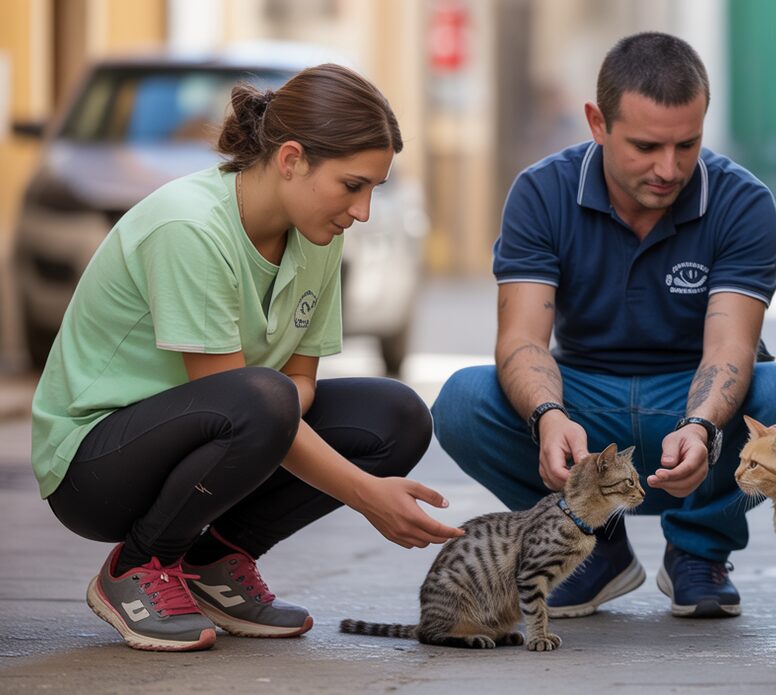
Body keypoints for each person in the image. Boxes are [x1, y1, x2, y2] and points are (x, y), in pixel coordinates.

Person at [30, 63, 463, 652]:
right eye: (352, 185)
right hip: (95, 466)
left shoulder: (318, 235)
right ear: (291, 160)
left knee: (397, 417)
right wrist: (363, 492)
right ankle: (135, 568)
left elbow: (298, 380)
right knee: (261, 397)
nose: (362, 212)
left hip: (215, 430)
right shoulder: (190, 227)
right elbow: (246, 395)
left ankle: (213, 563)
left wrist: (281, 407)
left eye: (373, 191)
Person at [432, 32, 776, 620]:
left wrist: (701, 428)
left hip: (687, 396)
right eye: (644, 146)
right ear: (597, 123)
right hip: (586, 404)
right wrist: (548, 415)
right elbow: (521, 341)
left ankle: (700, 551)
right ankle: (592, 548)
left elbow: (731, 346)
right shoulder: (541, 192)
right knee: (463, 400)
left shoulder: (743, 201)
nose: (668, 169)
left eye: (686, 145)